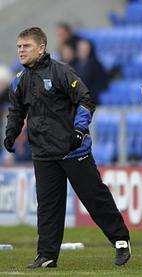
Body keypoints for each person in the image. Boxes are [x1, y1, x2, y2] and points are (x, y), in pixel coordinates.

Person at [4, 27, 131, 269]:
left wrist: (79, 131)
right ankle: (47, 255)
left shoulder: (61, 71)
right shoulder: (19, 80)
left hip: (73, 149)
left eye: (26, 46)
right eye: (19, 46)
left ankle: (121, 240)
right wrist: (11, 132)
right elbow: (16, 111)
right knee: (48, 206)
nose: (21, 50)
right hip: (42, 152)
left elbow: (85, 99)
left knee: (94, 198)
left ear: (41, 48)